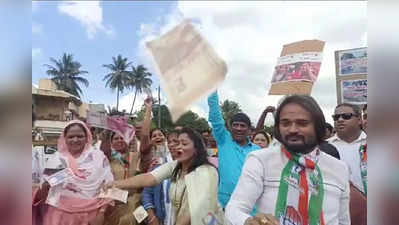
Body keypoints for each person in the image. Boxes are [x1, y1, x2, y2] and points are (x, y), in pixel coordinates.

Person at [225, 95, 350, 225]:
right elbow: (234, 209)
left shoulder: (339, 168)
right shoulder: (260, 160)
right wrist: (249, 221)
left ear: (318, 126)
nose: (292, 130)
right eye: (285, 123)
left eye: (302, 123)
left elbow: (344, 221)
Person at [104, 127, 225, 225]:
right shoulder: (175, 166)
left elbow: (189, 213)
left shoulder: (207, 172)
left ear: (196, 149)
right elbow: (148, 178)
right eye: (174, 143)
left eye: (183, 143)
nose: (176, 147)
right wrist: (115, 184)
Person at [39, 120, 114, 225]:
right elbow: (44, 190)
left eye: (80, 136)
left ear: (87, 137)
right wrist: (47, 184)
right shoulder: (56, 159)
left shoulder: (99, 158)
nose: (75, 140)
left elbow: (109, 184)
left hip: (90, 215)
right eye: (71, 137)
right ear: (65, 138)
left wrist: (102, 212)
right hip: (58, 215)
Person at [207, 91, 260, 209]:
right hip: (224, 205)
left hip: (250, 208)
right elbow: (215, 117)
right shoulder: (224, 140)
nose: (238, 128)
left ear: (249, 129)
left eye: (242, 125)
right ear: (230, 127)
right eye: (235, 125)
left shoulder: (257, 151)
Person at [103, 132, 143, 225]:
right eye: (116, 138)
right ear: (111, 142)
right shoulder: (107, 160)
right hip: (114, 203)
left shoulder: (137, 157)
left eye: (122, 138)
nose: (120, 140)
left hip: (135, 202)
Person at [142, 131, 180, 225]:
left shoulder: (194, 168)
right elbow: (147, 192)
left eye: (176, 141)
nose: (172, 145)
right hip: (161, 218)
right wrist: (152, 217)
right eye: (170, 142)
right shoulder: (158, 164)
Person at [328, 103, 367, 195]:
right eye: (336, 117)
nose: (340, 120)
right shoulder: (325, 147)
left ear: (359, 120)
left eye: (346, 116)